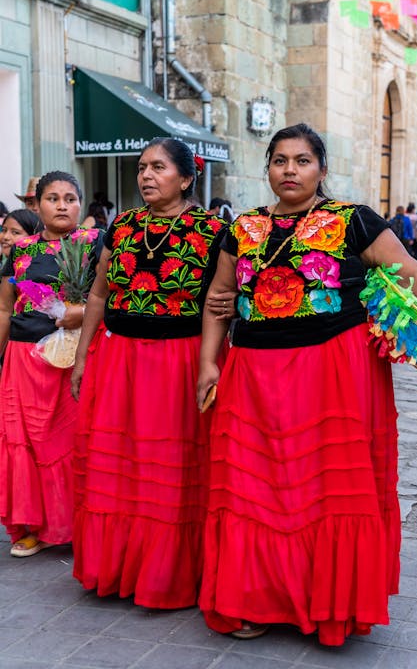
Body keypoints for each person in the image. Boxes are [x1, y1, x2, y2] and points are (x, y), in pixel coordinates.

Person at [196, 123, 417, 646]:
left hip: (333, 372)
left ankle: (330, 605)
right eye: (280, 161)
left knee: (326, 490)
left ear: (321, 169)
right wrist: (208, 364)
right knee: (254, 488)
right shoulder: (241, 228)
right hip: (253, 374)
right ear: (268, 169)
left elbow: (412, 271)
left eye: (302, 161)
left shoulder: (353, 221)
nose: (290, 170)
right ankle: (255, 599)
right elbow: (218, 298)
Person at [71, 137, 230, 609]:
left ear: (185, 177)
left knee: (173, 468)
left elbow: (218, 302)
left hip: (178, 360)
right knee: (118, 463)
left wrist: (210, 360)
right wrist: (82, 357)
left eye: (157, 167)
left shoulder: (212, 230)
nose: (145, 176)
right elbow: (99, 294)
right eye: (141, 167)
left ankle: (169, 574)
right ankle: (115, 566)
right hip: (119, 359)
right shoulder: (121, 226)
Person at [0, 171, 102, 557]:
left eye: (70, 198)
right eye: (53, 198)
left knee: (71, 439)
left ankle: (78, 525)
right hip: (25, 358)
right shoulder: (22, 249)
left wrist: (81, 314)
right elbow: (6, 307)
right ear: (36, 205)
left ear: (80, 204)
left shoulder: (95, 243)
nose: (62, 205)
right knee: (25, 442)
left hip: (77, 355)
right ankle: (34, 526)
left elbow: (111, 294)